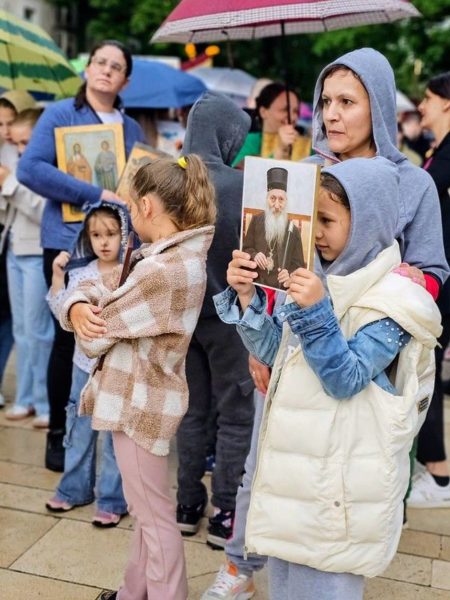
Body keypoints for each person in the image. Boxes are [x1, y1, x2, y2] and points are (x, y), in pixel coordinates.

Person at [202, 47, 448, 600]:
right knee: (270, 466)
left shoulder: (412, 183)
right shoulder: (302, 173)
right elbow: (276, 262)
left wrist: (409, 288)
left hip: (362, 357)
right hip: (288, 346)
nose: (332, 114)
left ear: (378, 107)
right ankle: (241, 564)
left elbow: (433, 268)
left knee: (337, 484)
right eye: (325, 101)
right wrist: (259, 333)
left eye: (347, 102)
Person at [59, 154, 215, 600]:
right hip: (142, 399)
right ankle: (133, 592)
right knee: (146, 509)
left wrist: (80, 308)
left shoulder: (162, 271)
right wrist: (78, 304)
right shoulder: (168, 258)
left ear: (147, 206)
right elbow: (99, 286)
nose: (129, 215)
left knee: (153, 515)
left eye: (130, 207)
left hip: (140, 403)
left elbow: (96, 334)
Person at [17, 40, 145, 472]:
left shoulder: (131, 129)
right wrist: (95, 193)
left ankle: (104, 440)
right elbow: (30, 169)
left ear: (125, 80)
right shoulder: (60, 115)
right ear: (87, 69)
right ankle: (60, 434)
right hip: (68, 243)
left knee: (110, 337)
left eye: (116, 66)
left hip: (118, 248)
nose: (106, 70)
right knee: (67, 337)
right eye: (99, 62)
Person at [175, 92, 256, 550]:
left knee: (192, 412)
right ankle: (225, 510)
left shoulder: (168, 178)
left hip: (182, 318)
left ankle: (187, 505)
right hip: (230, 318)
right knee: (236, 414)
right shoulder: (240, 186)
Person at [45, 203, 128, 526]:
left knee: (114, 434)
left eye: (111, 234)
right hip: (83, 365)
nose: (103, 242)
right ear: (86, 238)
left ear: (124, 234)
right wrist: (57, 278)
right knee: (79, 428)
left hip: (118, 367)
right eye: (96, 235)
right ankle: (74, 488)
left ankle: (112, 499)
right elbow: (62, 313)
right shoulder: (80, 273)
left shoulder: (132, 273)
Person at [408, 71, 450, 508]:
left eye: (428, 98)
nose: (422, 105)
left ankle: (439, 475)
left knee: (429, 370)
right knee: (426, 369)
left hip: (445, 280)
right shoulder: (438, 149)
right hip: (438, 275)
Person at [0, 108, 53, 427]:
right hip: (14, 250)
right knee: (21, 330)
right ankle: (26, 397)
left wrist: (10, 184)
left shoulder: (46, 168)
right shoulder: (20, 164)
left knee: (38, 331)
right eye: (17, 143)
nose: (21, 149)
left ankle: (45, 402)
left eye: (26, 142)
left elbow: (42, 212)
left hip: (35, 252)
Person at [0, 90, 36, 408]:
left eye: (10, 123)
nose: (6, 131)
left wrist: (8, 183)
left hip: (23, 246)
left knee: (24, 326)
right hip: (11, 244)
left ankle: (34, 398)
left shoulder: (26, 156)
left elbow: (34, 204)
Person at [242, 166, 305, 289]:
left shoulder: (293, 230)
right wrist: (255, 255)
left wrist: (289, 274)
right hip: (256, 281)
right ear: (267, 200)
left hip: (280, 287)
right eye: (272, 198)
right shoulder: (256, 220)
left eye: (281, 199)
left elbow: (298, 265)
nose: (276, 205)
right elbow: (246, 249)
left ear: (286, 202)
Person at [233, 82, 311, 167]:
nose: (292, 117)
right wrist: (280, 150)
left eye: (296, 111)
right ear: (263, 112)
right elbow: (239, 172)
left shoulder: (306, 146)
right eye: (285, 110)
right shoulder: (247, 141)